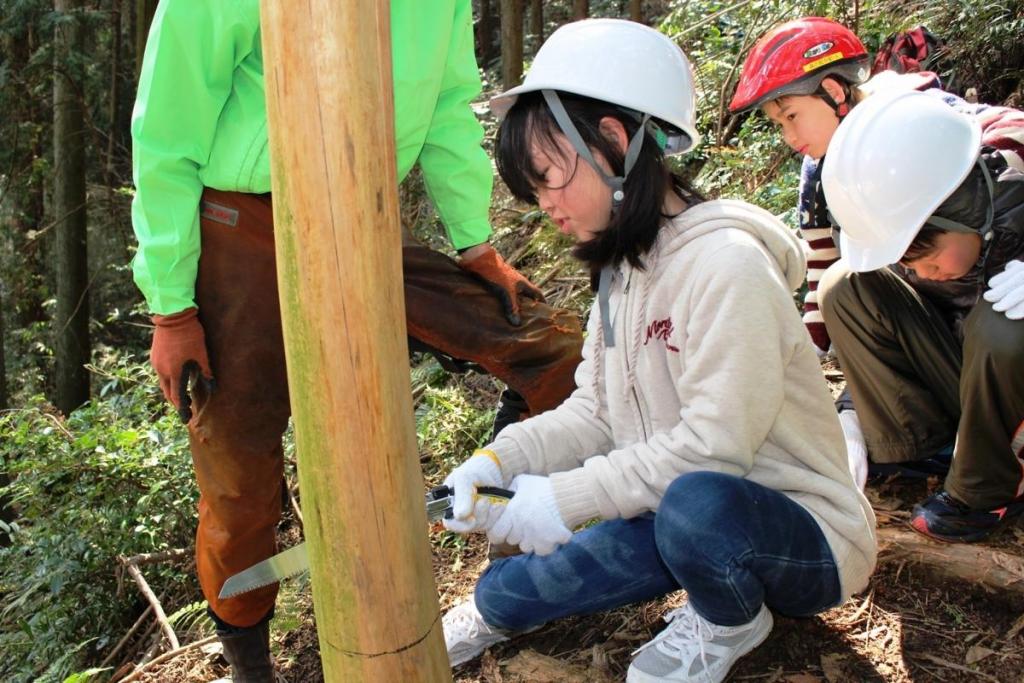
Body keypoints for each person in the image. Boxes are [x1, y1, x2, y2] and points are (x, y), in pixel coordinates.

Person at [131, 0, 582, 679]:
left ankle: (503, 530)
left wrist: (474, 241)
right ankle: (250, 658)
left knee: (553, 351)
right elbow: (167, 134)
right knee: (237, 479)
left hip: (360, 216)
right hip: (239, 229)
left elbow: (451, 110)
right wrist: (171, 307)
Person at [437, 19, 877, 683]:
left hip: (796, 534)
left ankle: (731, 620)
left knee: (698, 507)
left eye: (551, 177)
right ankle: (496, 607)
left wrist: (563, 497)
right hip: (671, 512)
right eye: (534, 189)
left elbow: (713, 449)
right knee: (518, 591)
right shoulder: (623, 274)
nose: (545, 205)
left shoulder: (727, 267)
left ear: (613, 142)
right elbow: (597, 412)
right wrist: (501, 461)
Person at [729, 16, 1024, 489]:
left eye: (791, 116)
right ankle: (924, 445)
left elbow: (1004, 134)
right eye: (777, 124)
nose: (788, 136)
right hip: (945, 343)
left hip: (1003, 339)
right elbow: (824, 285)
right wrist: (817, 396)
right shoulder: (820, 175)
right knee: (843, 284)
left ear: (833, 91)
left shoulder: (919, 114)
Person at [818, 89, 1024, 543]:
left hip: (1011, 393)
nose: (919, 272)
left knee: (1005, 324)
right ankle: (925, 442)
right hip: (975, 383)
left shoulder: (1016, 170)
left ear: (961, 212)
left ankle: (988, 488)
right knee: (847, 285)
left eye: (926, 259)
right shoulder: (919, 234)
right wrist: (851, 414)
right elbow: (901, 314)